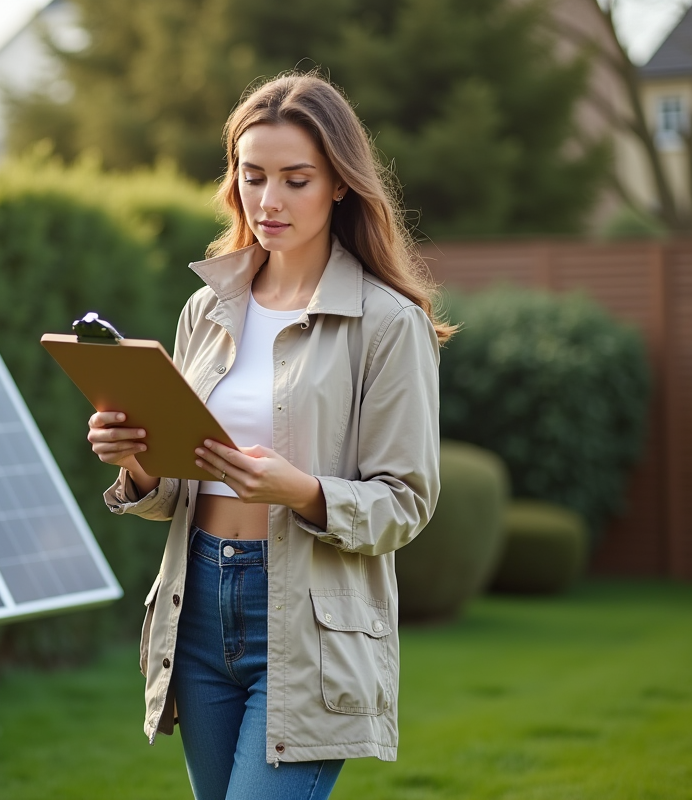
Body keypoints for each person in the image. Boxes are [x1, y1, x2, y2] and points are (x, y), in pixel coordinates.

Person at [87, 72, 453, 800]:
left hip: (309, 626)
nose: (270, 201)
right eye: (253, 177)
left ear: (340, 185)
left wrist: (302, 491)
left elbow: (405, 503)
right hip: (196, 603)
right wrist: (135, 461)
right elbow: (178, 488)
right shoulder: (208, 308)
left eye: (296, 179)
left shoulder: (386, 323)